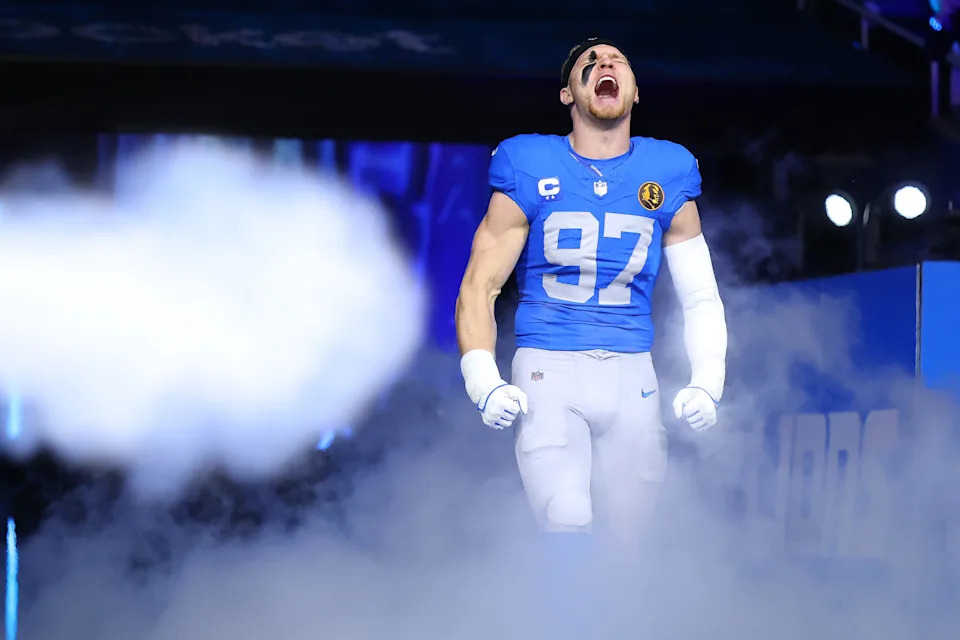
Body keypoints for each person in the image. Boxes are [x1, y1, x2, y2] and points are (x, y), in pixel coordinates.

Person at [454, 37, 727, 552]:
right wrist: (482, 381)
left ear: (635, 90)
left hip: (633, 374)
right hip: (549, 370)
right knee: (566, 513)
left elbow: (701, 297)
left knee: (631, 539)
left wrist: (707, 381)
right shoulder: (529, 162)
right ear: (567, 94)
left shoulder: (668, 170)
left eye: (617, 60)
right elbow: (479, 285)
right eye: (591, 62)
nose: (606, 64)